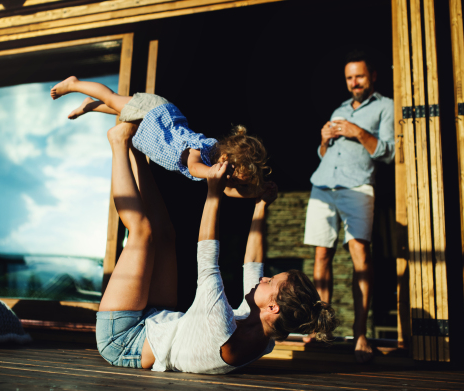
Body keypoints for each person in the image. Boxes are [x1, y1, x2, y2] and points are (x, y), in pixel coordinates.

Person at [97, 121, 338, 374]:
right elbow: (253, 266)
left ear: (273, 307)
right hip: (161, 323)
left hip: (124, 341)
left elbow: (207, 257)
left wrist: (214, 192)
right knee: (166, 235)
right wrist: (260, 206)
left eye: (270, 282)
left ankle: (118, 142)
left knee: (142, 232)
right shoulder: (264, 334)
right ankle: (135, 150)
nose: (265, 278)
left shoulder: (220, 326)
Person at [303, 50, 394, 363]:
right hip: (323, 184)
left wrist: (359, 132)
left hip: (358, 186)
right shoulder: (340, 108)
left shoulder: (386, 107)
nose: (355, 83)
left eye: (360, 76)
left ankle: (361, 335)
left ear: (373, 77)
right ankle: (321, 330)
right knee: (320, 255)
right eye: (350, 78)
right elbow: (323, 155)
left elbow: (388, 151)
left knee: (360, 255)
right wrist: (324, 140)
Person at [51, 76, 268, 198]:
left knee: (121, 109)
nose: (227, 181)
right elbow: (193, 167)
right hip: (156, 113)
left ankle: (90, 105)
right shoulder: (202, 152)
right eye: (230, 176)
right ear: (225, 160)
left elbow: (229, 191)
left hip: (153, 123)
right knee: (112, 97)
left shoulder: (215, 163)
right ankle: (74, 84)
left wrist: (255, 193)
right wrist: (211, 173)